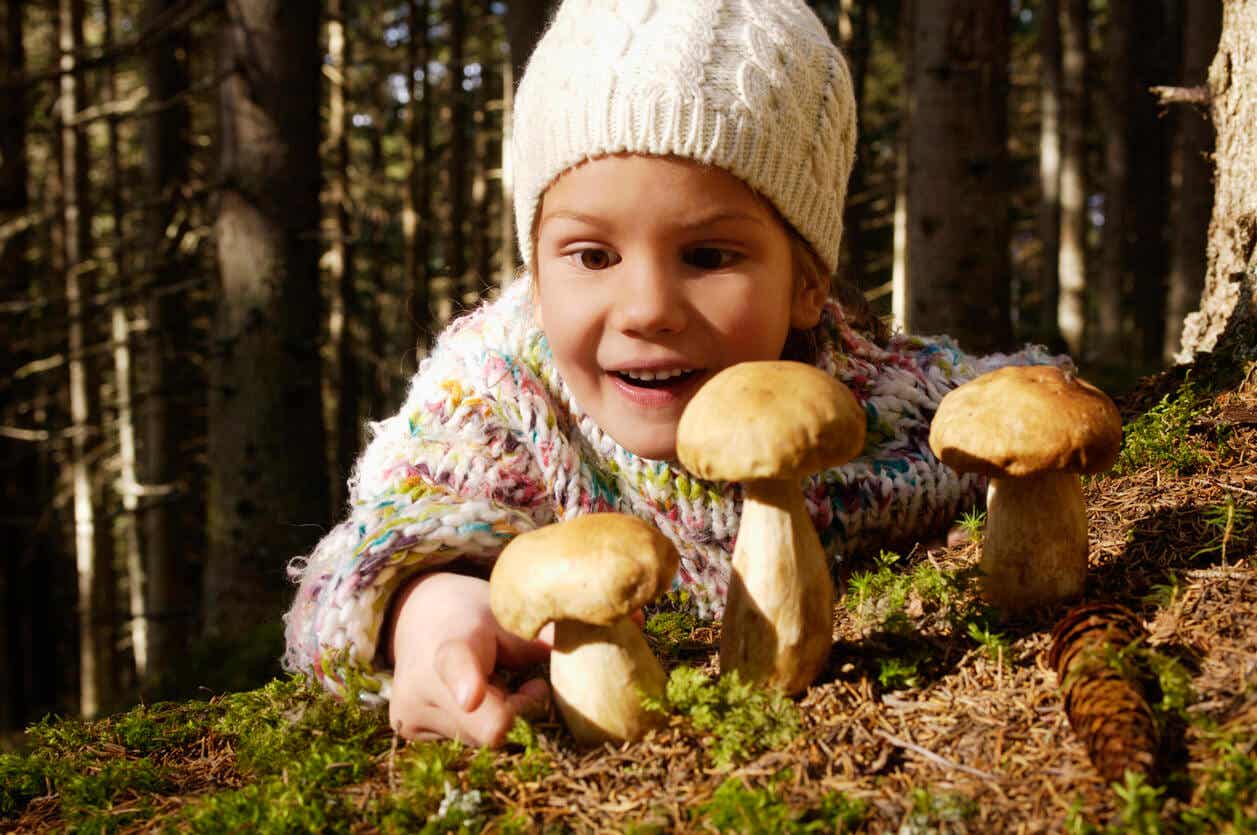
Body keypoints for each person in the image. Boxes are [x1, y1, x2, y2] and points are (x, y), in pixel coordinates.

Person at [282, 0, 1062, 747]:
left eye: (707, 256)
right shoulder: (496, 396)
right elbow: (365, 555)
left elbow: (1027, 403)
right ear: (535, 274)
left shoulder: (883, 399)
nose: (647, 309)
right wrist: (427, 608)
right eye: (592, 256)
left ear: (806, 283)